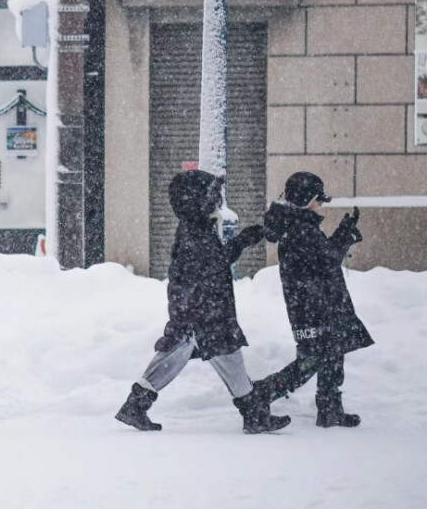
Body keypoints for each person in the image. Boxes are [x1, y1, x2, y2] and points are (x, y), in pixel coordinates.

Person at [115, 168, 290, 434]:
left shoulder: (197, 229)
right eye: (212, 196)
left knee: (215, 357)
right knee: (190, 357)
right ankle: (253, 415)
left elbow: (214, 265)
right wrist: (188, 315)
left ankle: (136, 406)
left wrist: (246, 239)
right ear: (197, 200)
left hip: (206, 310)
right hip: (202, 311)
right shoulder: (195, 234)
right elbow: (200, 273)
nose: (217, 201)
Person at [252, 172, 372, 427]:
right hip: (314, 306)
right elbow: (326, 261)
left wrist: (343, 233)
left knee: (332, 352)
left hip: (316, 304)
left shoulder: (298, 225)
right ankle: (264, 392)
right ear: (306, 199)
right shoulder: (300, 229)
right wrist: (345, 233)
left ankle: (330, 410)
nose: (320, 205)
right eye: (318, 199)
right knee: (313, 359)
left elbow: (321, 258)